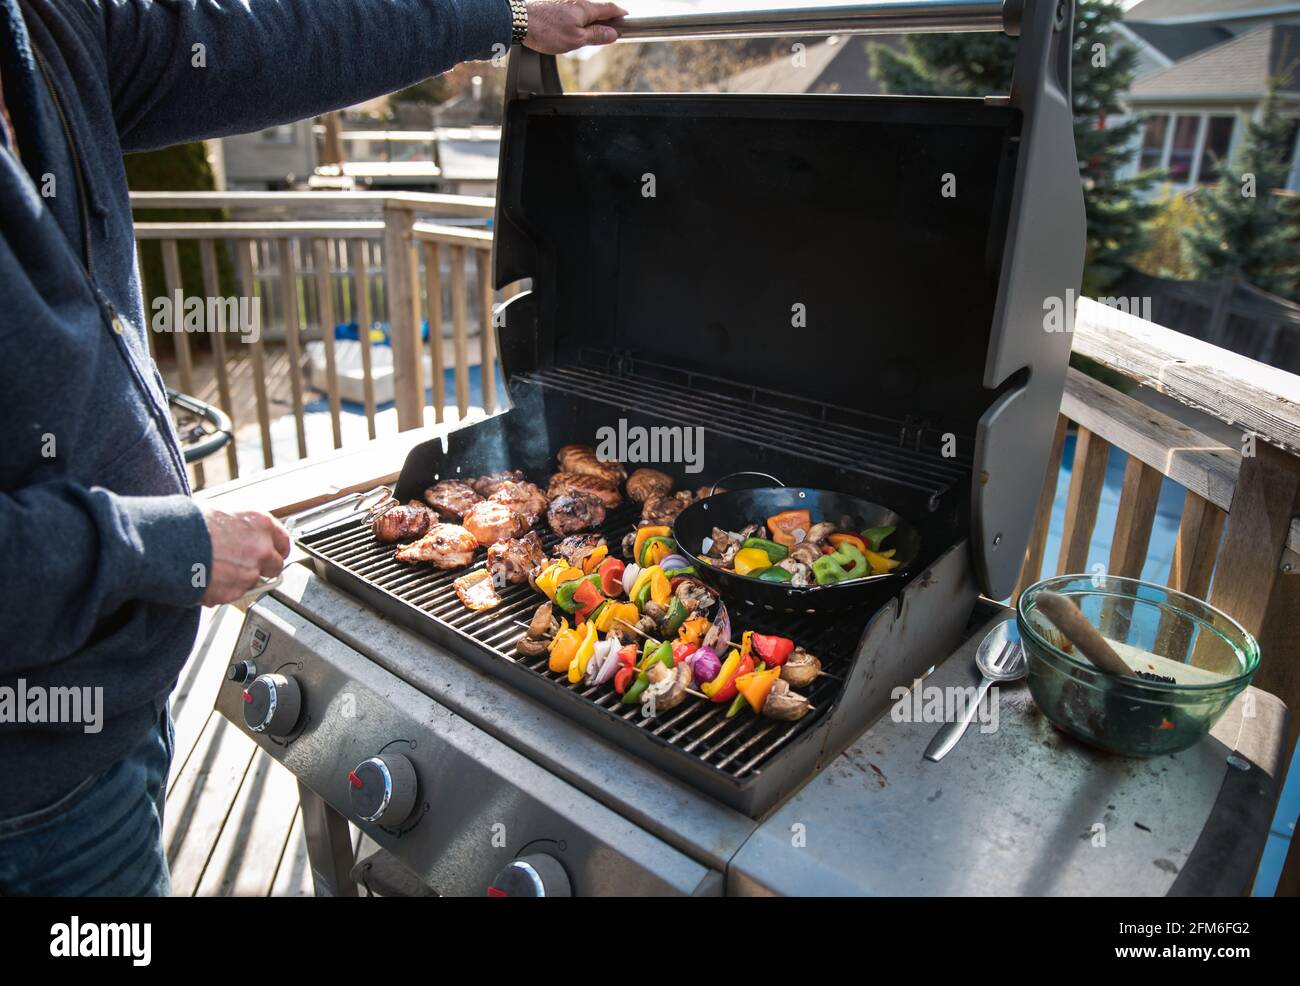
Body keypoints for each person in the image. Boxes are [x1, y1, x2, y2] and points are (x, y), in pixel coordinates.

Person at [0, 0, 625, 896]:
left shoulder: (49, 32)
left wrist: (503, 15)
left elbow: (276, 39)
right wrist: (166, 548)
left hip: (113, 707)